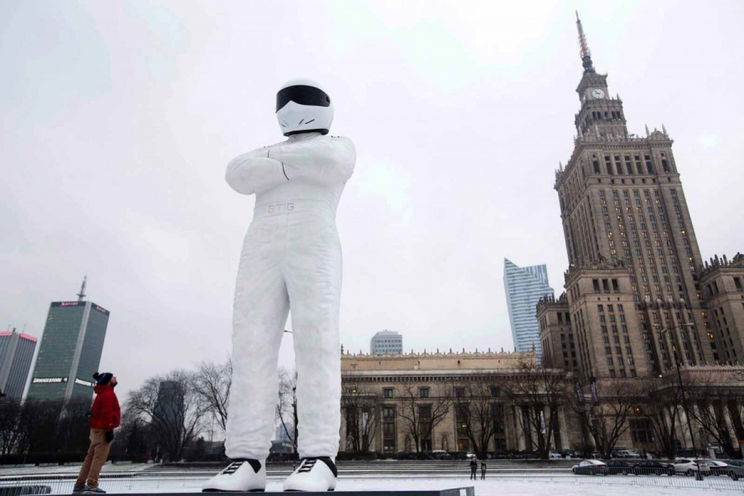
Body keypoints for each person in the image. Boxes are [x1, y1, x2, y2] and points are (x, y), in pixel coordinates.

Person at [203, 79, 355, 493]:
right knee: (250, 344)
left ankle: (319, 455)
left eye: (300, 99)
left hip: (314, 242)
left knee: (316, 341)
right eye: (284, 100)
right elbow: (236, 173)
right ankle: (247, 456)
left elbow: (331, 162)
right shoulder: (283, 151)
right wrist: (289, 161)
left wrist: (272, 164)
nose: (290, 106)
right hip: (261, 245)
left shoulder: (340, 144)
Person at [74, 372, 120, 494]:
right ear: (109, 381)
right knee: (98, 458)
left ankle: (79, 484)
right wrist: (109, 429)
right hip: (103, 429)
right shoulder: (108, 394)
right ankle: (92, 484)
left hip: (96, 429)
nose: (115, 378)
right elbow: (107, 412)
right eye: (113, 377)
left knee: (90, 458)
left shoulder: (101, 393)